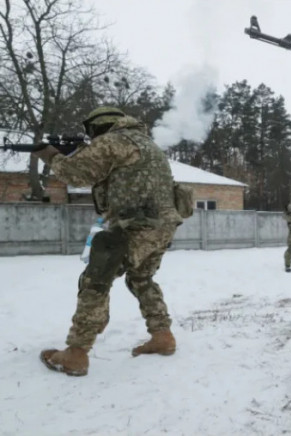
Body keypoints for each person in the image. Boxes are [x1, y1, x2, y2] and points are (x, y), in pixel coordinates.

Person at [33, 107, 184, 376]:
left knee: (95, 280)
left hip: (133, 228)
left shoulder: (114, 141)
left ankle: (76, 353)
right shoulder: (147, 144)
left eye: (92, 133)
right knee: (141, 279)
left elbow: (76, 175)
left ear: (99, 126)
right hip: (162, 227)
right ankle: (162, 336)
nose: (91, 138)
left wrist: (50, 155)